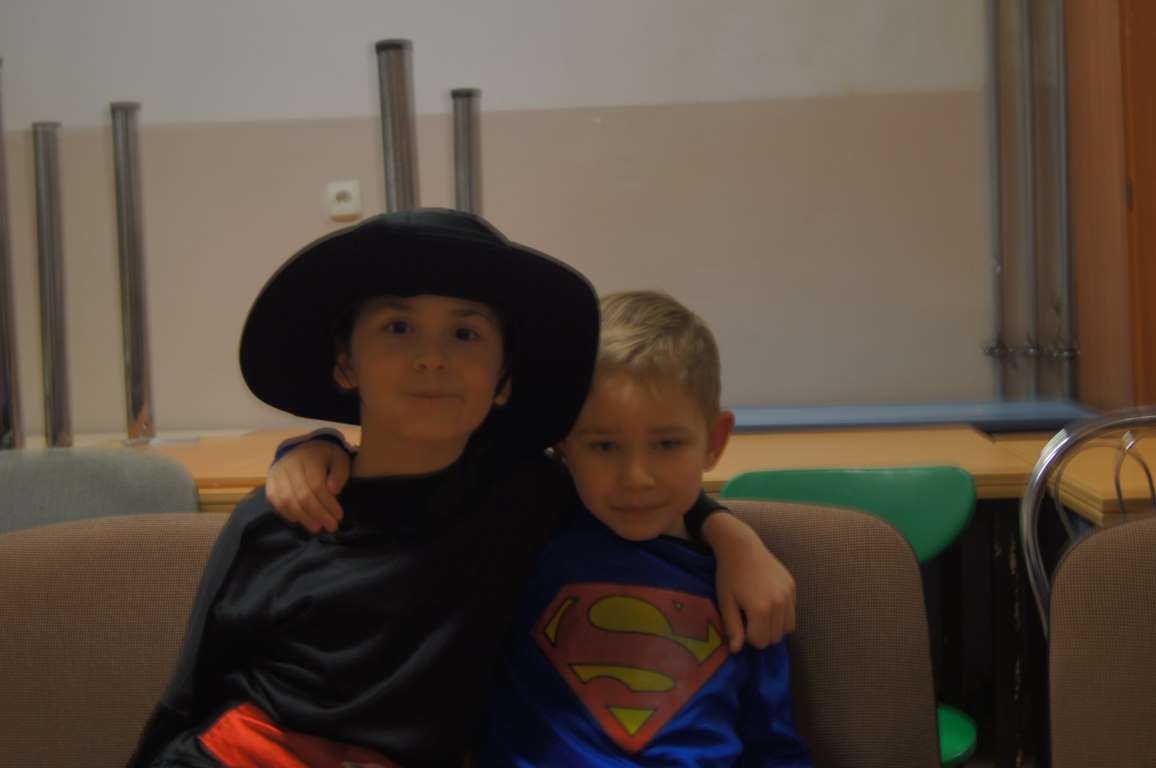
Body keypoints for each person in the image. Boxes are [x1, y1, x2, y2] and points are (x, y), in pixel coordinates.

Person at [130, 209, 792, 768]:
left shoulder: (526, 496)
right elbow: (189, 698)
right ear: (345, 363)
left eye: (465, 332)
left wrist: (730, 535)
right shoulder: (278, 518)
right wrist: (310, 447)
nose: (431, 357)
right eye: (398, 327)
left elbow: (637, 484)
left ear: (504, 379)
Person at [475, 290, 811, 766]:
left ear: (714, 441)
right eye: (604, 446)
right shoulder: (523, 540)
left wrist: (733, 540)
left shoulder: (748, 588)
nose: (636, 478)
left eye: (667, 444)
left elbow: (774, 748)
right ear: (564, 444)